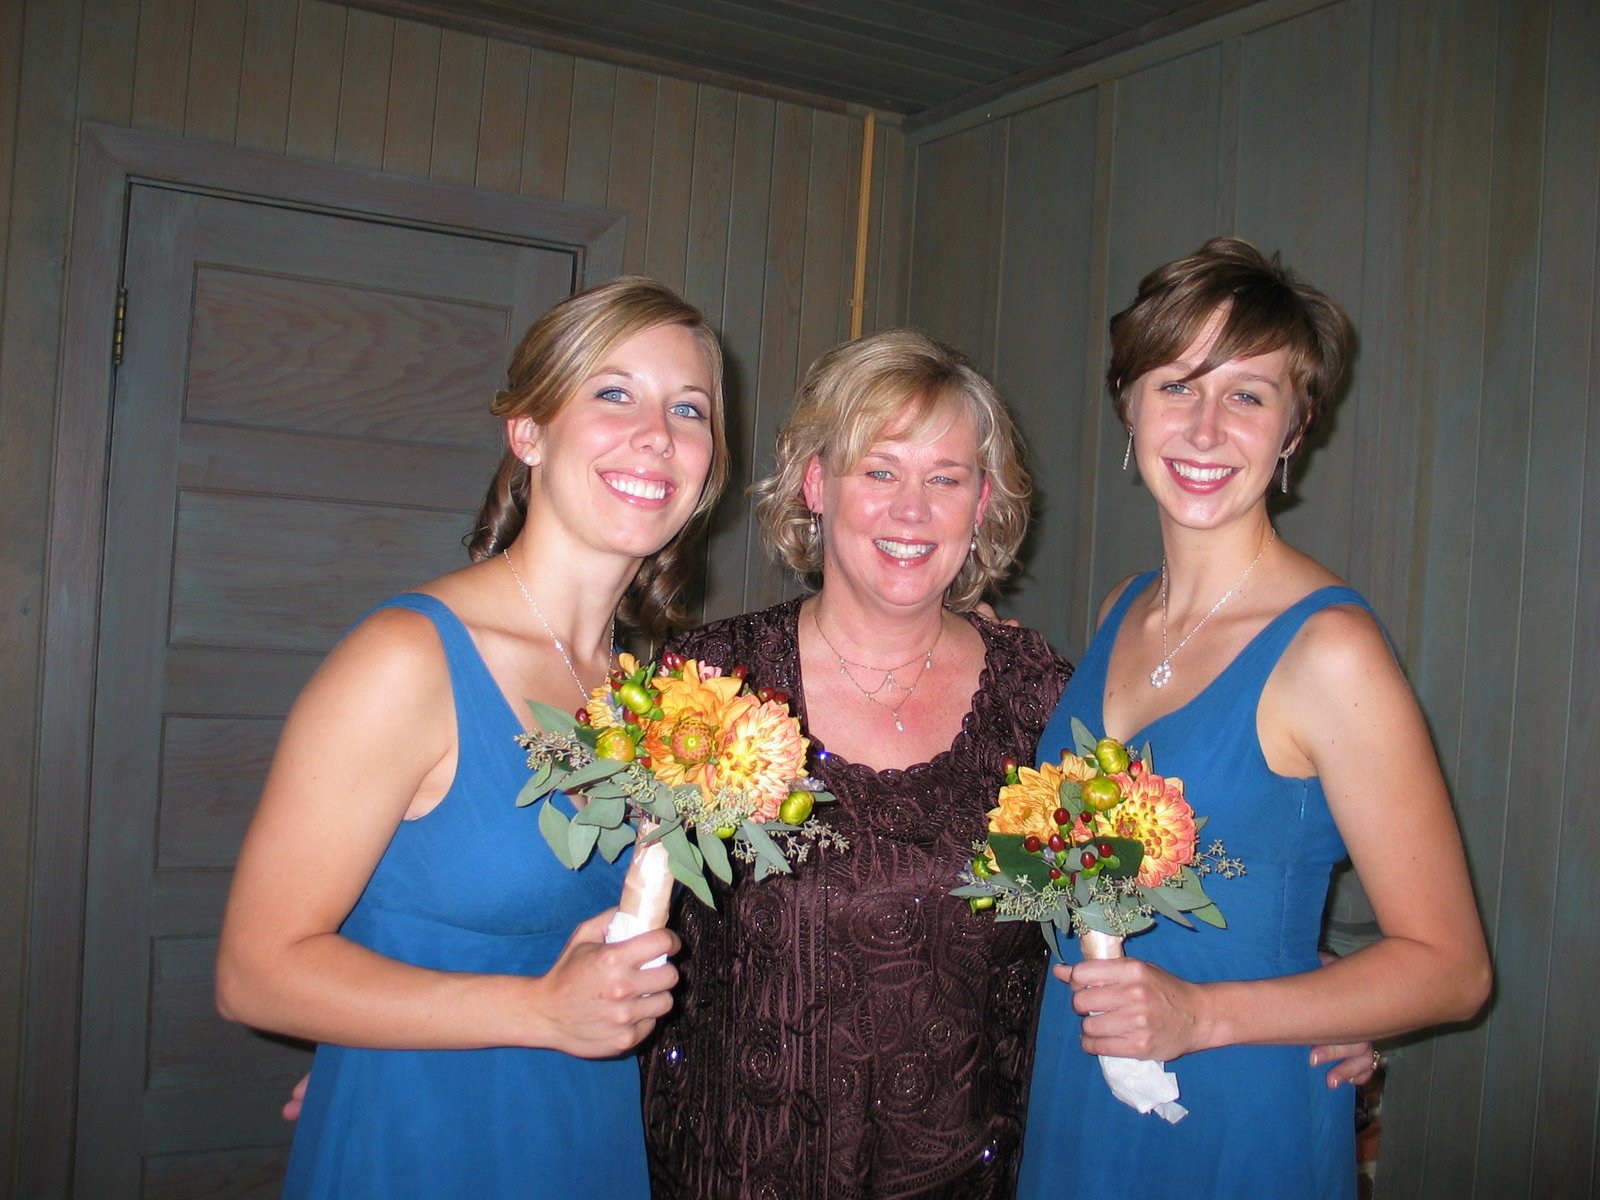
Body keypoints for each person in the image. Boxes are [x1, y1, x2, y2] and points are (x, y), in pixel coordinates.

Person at [637, 330, 1373, 1198]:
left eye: (945, 479)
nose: (911, 512)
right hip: (735, 1166)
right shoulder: (705, 687)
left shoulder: (1046, 702)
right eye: (878, 472)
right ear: (815, 485)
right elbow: (597, 913)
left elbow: (1149, 863)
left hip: (980, 1172)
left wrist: (1324, 993)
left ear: (982, 503)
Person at [215, 276, 728, 1198]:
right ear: (528, 432)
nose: (657, 433)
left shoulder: (650, 694)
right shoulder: (406, 660)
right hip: (420, 1145)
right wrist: (534, 1011)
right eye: (613, 393)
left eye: (688, 409)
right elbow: (254, 972)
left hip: (585, 1136)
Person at [1015, 239, 1491, 1199]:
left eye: (1248, 394)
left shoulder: (1329, 651)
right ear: (1128, 405)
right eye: (1176, 384)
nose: (1203, 428)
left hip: (1232, 1114)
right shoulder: (1122, 610)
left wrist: (1203, 1014)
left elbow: (1452, 969)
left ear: (1294, 430)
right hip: (1080, 1087)